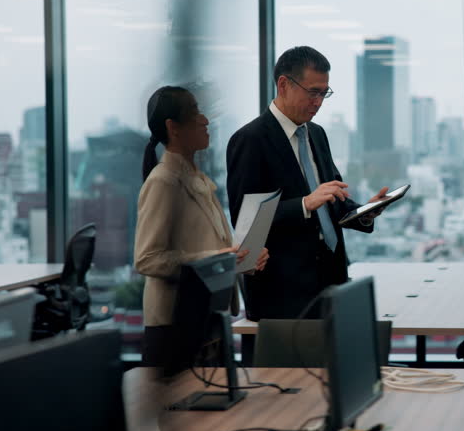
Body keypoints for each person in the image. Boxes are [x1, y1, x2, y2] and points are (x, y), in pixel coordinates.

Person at [227, 46, 388, 320]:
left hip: (332, 279)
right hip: (283, 291)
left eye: (324, 93)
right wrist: (304, 204)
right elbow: (245, 219)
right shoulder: (251, 139)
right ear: (283, 85)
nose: (319, 102)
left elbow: (331, 199)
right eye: (313, 92)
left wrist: (364, 212)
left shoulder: (316, 134)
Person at [135, 85, 269, 366]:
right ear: (173, 128)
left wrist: (241, 260)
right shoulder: (163, 182)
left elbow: (210, 249)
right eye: (195, 112)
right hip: (175, 329)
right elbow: (147, 259)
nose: (205, 120)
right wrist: (219, 259)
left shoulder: (197, 179)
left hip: (206, 321)